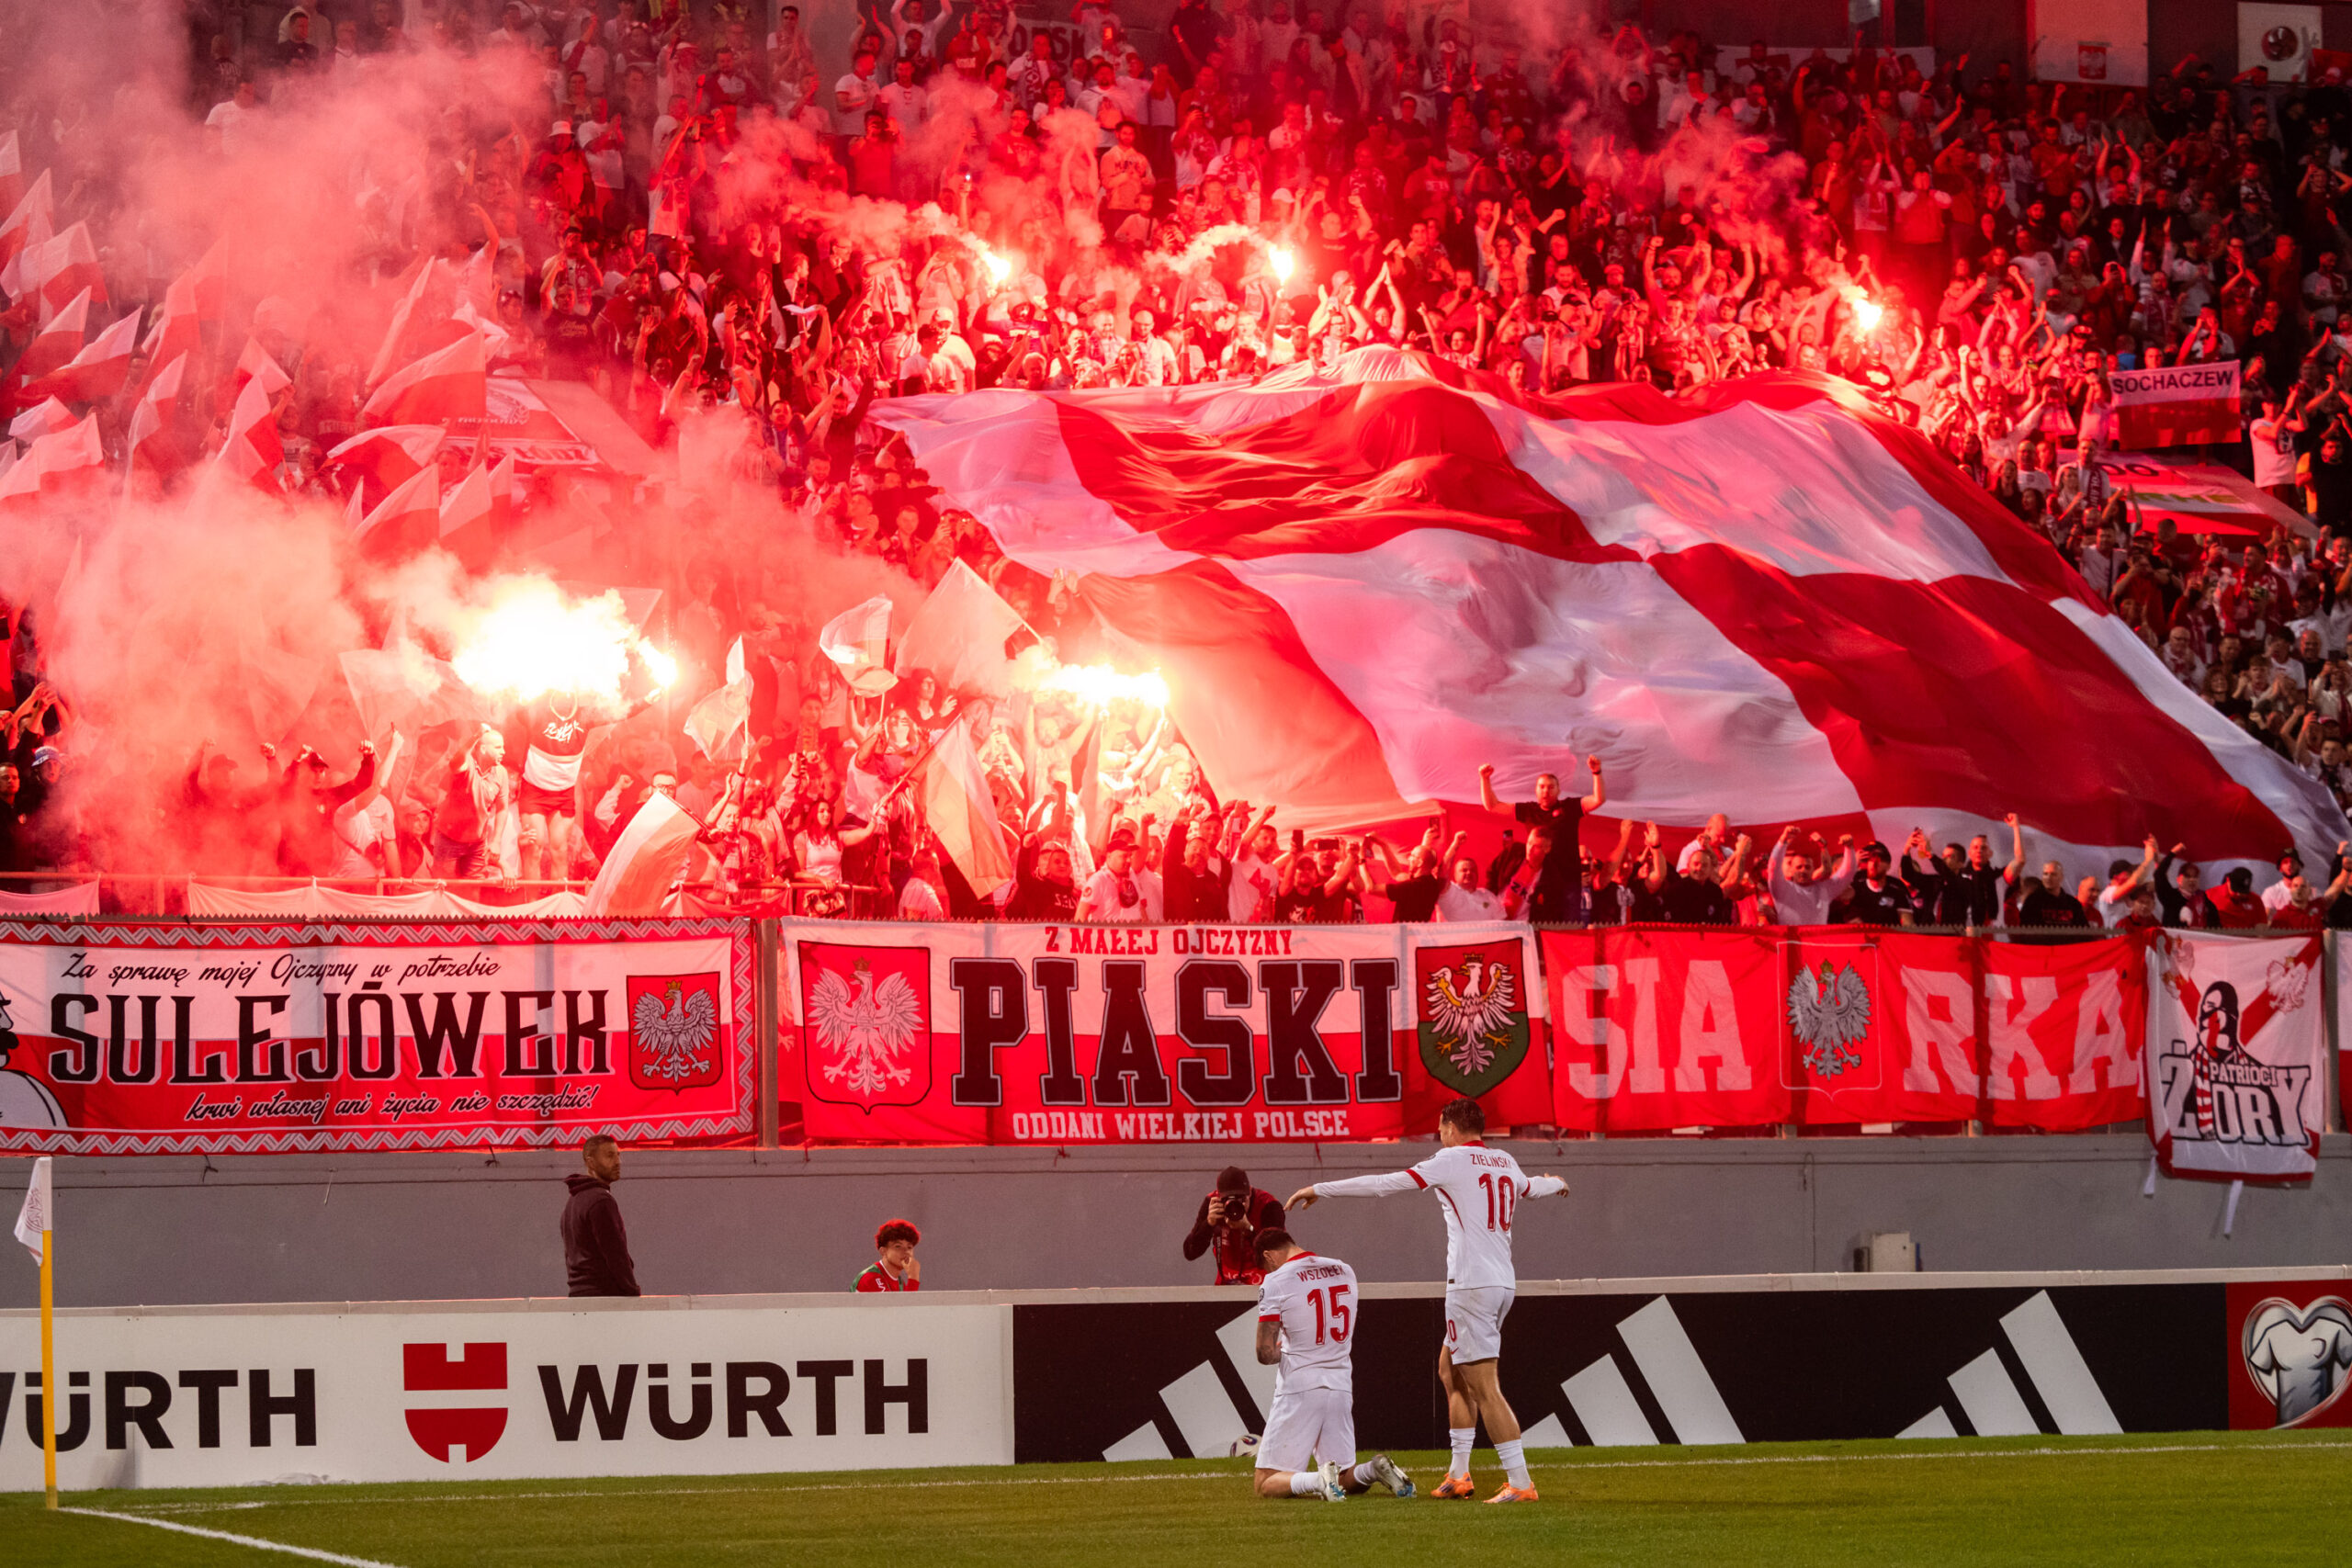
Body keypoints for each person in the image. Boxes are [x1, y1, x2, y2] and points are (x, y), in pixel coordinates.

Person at [1287, 1098, 1567, 1503]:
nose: (1439, 1135)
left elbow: (1384, 1184)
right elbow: (1534, 1189)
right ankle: (1458, 1475)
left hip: (1470, 1286)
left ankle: (1521, 1482)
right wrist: (1557, 1182)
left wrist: (1321, 1188)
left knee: (1485, 1387)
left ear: (1452, 1127)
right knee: (1450, 1370)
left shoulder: (1451, 1160)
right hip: (1500, 1282)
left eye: (1440, 1127)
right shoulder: (1504, 1161)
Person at [1248, 1225, 1415, 1502]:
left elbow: (1265, 1352)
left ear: (1268, 1255)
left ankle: (1317, 1480)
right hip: (1339, 1384)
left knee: (1265, 1482)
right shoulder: (1344, 1269)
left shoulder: (1276, 1281)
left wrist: (1282, 1352)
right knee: (1344, 1476)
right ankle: (1373, 1470)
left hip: (1300, 1386)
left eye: (1265, 1266)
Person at [560, 1135, 639, 1297]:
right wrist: (632, 1291)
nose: (618, 1162)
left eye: (618, 1155)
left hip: (579, 1295)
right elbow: (615, 1254)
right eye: (610, 1156)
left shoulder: (573, 1201)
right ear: (591, 1162)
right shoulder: (600, 1200)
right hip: (604, 1296)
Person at [1183, 1166, 1285, 1284]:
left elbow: (1279, 1254)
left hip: (1264, 1282)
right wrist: (1208, 1224)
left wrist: (1249, 1228)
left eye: (1241, 1200)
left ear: (1250, 1192)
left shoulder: (1268, 1205)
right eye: (1229, 1200)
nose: (1236, 1206)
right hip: (1227, 1281)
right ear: (1219, 1197)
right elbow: (1190, 1252)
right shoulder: (1212, 1203)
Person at [857, 1217, 922, 1291]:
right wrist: (913, 1277)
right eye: (898, 1246)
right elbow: (906, 1302)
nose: (906, 1251)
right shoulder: (871, 1277)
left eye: (909, 1247)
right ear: (883, 1251)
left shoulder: (900, 1283)